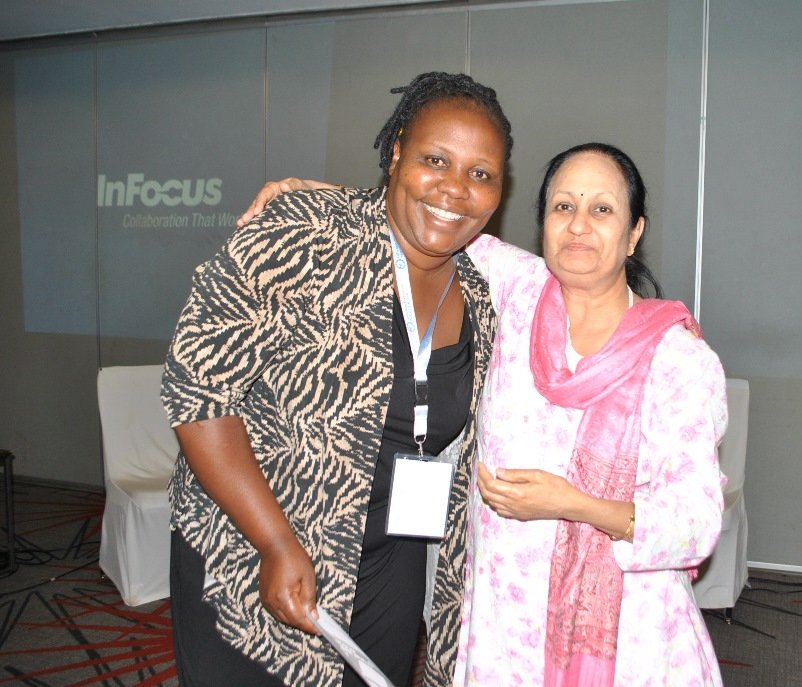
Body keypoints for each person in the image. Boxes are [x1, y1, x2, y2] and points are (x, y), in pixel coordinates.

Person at [244, 142, 728, 686]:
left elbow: (696, 524)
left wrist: (575, 505)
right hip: (506, 627)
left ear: (634, 232)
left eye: (602, 209)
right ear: (542, 223)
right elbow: (430, 215)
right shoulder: (519, 289)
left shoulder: (677, 359)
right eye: (563, 206)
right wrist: (309, 193)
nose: (578, 225)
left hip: (627, 634)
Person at [161, 71, 513, 687]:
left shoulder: (480, 294)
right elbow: (198, 390)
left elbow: (587, 280)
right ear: (397, 152)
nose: (456, 188)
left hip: (389, 567)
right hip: (256, 546)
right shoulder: (304, 232)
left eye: (480, 173)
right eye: (435, 160)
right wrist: (274, 542)